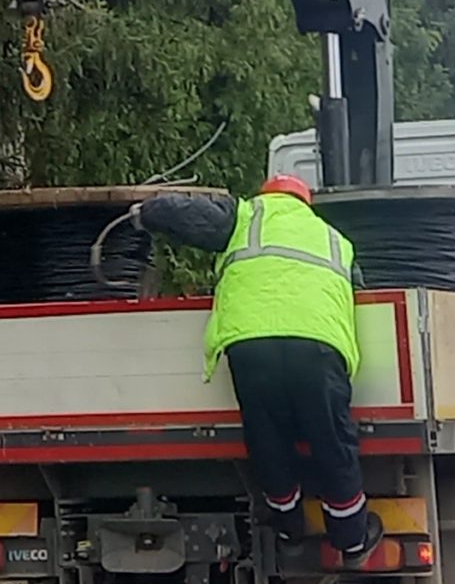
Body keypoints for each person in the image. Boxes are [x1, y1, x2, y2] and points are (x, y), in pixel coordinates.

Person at [139, 174, 381, 560]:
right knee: (332, 440)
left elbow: (179, 212)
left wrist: (145, 213)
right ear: (306, 204)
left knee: (267, 438)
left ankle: (288, 529)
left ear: (265, 196)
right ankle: (351, 538)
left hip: (251, 346)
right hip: (318, 347)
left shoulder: (244, 216)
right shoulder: (336, 240)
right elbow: (361, 292)